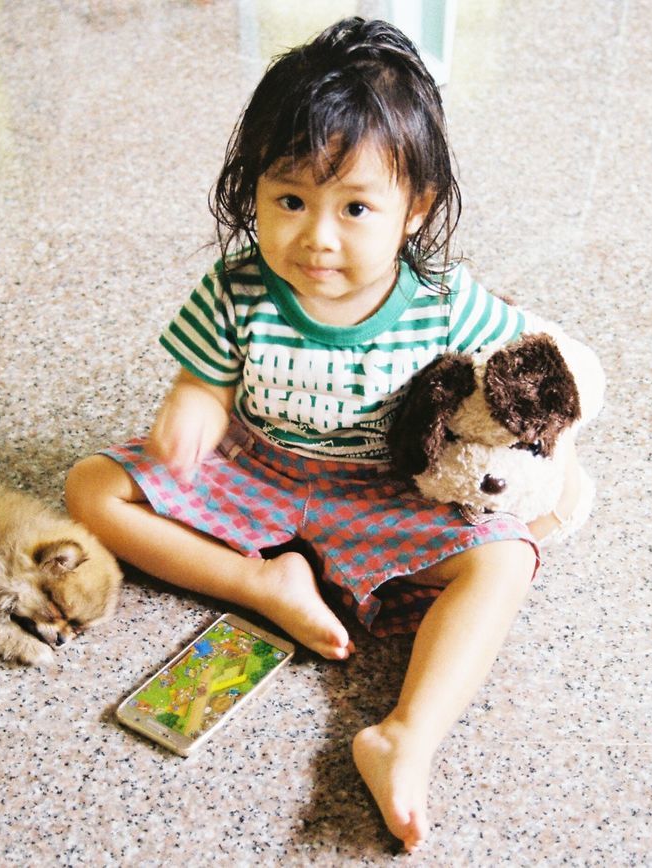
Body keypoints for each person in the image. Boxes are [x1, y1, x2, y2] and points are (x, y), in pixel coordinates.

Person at [66, 17, 590, 851]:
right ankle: (263, 586)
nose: (316, 236)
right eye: (289, 201)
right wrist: (196, 401)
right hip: (255, 467)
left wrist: (551, 449)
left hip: (387, 488)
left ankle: (404, 737)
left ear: (414, 208)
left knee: (504, 558)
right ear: (254, 193)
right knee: (90, 488)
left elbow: (535, 365)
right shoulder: (239, 285)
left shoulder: (443, 298)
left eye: (354, 207)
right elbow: (202, 376)